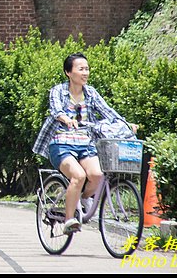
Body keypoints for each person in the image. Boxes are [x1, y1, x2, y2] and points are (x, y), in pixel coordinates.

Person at [32, 52, 138, 235]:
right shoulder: (58, 90)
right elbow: (56, 110)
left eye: (87, 69)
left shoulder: (91, 92)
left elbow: (108, 112)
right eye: (81, 69)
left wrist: (126, 125)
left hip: (85, 143)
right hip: (61, 143)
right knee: (79, 176)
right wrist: (66, 120)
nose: (85, 73)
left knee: (97, 175)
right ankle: (68, 220)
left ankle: (81, 198)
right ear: (68, 72)